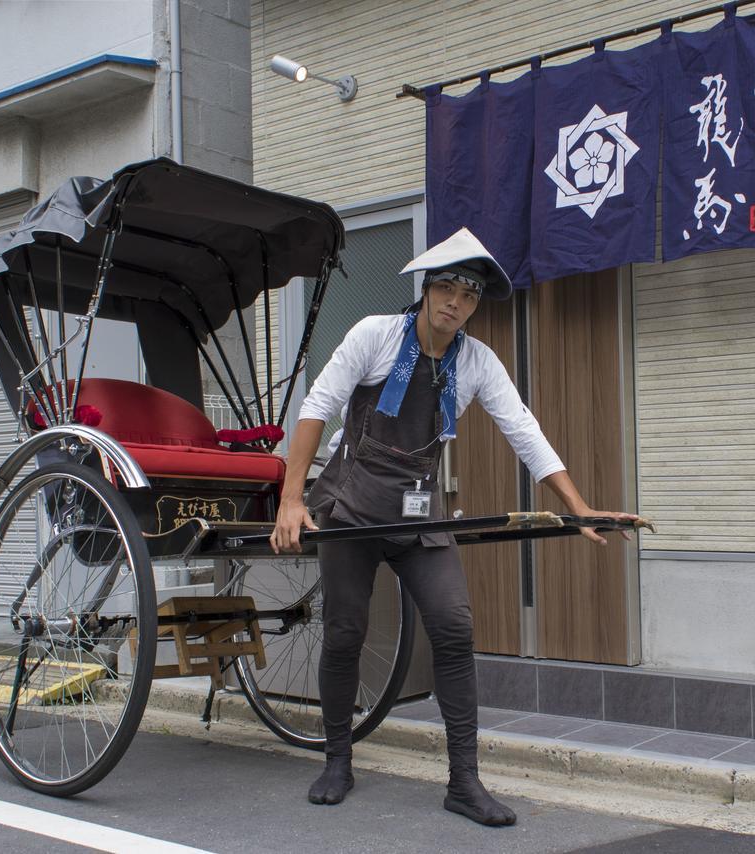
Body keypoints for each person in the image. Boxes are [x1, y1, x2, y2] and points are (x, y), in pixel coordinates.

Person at [270, 228, 642, 827]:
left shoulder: (476, 360)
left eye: (468, 296)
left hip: (419, 509)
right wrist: (293, 501)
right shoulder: (375, 335)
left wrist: (578, 506)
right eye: (446, 287)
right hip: (353, 504)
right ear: (426, 289)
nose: (455, 302)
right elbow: (319, 406)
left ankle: (464, 781)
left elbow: (524, 429)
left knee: (453, 627)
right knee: (345, 631)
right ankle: (337, 758)